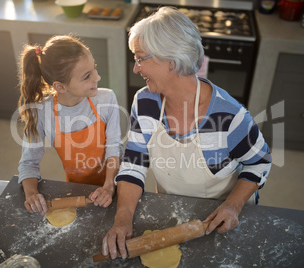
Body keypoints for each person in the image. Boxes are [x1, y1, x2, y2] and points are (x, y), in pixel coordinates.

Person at [102, 7, 272, 259]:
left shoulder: (228, 116)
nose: (136, 69)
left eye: (140, 58)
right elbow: (134, 163)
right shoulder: (145, 101)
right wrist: (123, 217)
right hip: (172, 209)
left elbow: (259, 162)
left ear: (170, 60)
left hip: (219, 220)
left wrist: (232, 207)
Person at [17, 35, 123, 215]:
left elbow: (114, 147)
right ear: (60, 87)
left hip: (115, 184)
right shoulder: (41, 112)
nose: (97, 77)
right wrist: (32, 194)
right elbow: (28, 163)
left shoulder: (106, 99)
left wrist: (109, 186)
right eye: (87, 76)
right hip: (76, 189)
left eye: (94, 68)